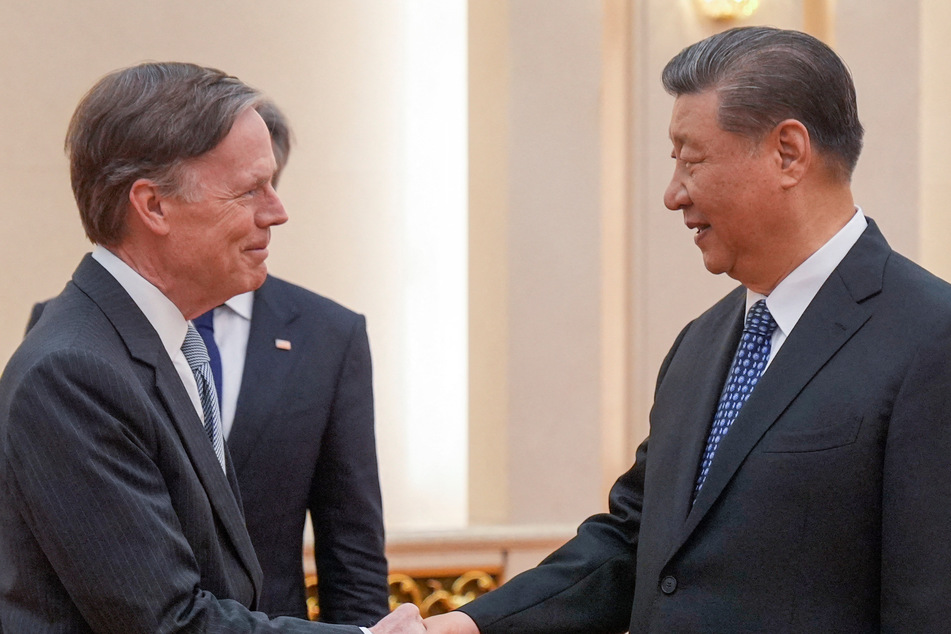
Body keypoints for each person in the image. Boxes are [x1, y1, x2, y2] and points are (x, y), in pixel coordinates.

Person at [425, 26, 951, 633]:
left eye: (690, 161)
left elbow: (929, 605)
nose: (674, 195)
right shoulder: (700, 344)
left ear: (788, 152)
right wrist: (467, 626)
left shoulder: (929, 340)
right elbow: (632, 540)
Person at [0, 61, 422, 633]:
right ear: (152, 206)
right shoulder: (75, 372)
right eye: (249, 190)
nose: (277, 212)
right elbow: (167, 622)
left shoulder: (152, 344)